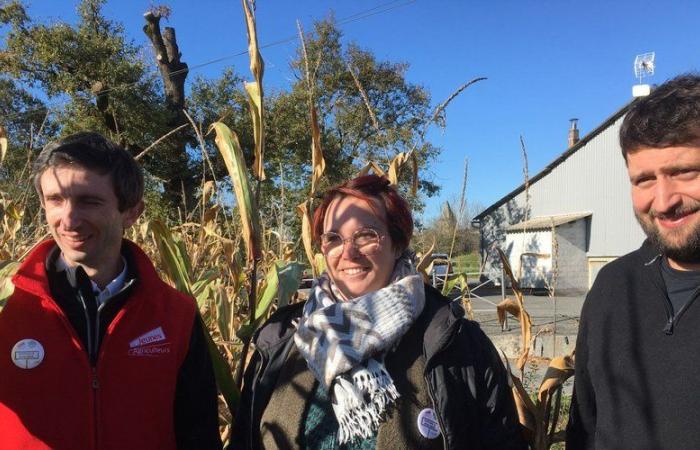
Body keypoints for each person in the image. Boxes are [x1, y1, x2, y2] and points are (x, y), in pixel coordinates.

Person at [231, 175, 525, 449]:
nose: (348, 253)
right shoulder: (281, 340)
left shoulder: (455, 343)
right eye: (333, 238)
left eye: (365, 235)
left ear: (398, 244)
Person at [0, 132, 222, 450]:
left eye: (89, 202)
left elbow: (198, 434)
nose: (69, 219)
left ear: (131, 212)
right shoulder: (7, 305)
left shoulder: (176, 315)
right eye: (55, 200)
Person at [567, 74, 700, 449]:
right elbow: (585, 425)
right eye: (643, 180)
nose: (663, 201)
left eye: (683, 172)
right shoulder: (612, 286)